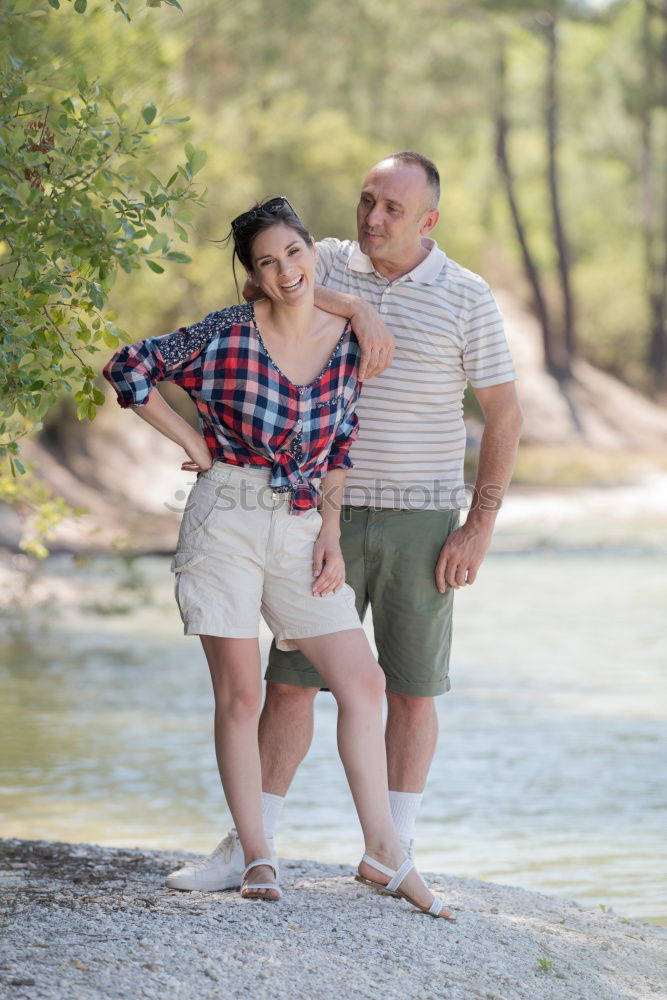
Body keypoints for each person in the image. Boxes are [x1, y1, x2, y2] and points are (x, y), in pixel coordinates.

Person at [166, 152, 523, 893]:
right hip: (310, 510)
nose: (372, 218)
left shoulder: (466, 296)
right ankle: (247, 844)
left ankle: (391, 849)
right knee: (291, 683)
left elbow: (504, 415)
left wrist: (478, 525)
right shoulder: (323, 259)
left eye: (393, 209)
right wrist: (355, 305)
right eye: (366, 200)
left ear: (428, 220)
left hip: (421, 520)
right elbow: (260, 289)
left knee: (411, 688)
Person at [104, 197, 455, 918]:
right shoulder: (229, 332)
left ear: (309, 253)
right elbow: (129, 370)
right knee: (240, 694)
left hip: (299, 529)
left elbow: (338, 450)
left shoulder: (346, 338)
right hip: (224, 522)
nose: (285, 270)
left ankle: (385, 850)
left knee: (362, 682)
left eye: (293, 253)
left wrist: (330, 534)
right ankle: (255, 852)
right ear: (253, 276)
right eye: (267, 262)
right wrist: (193, 444)